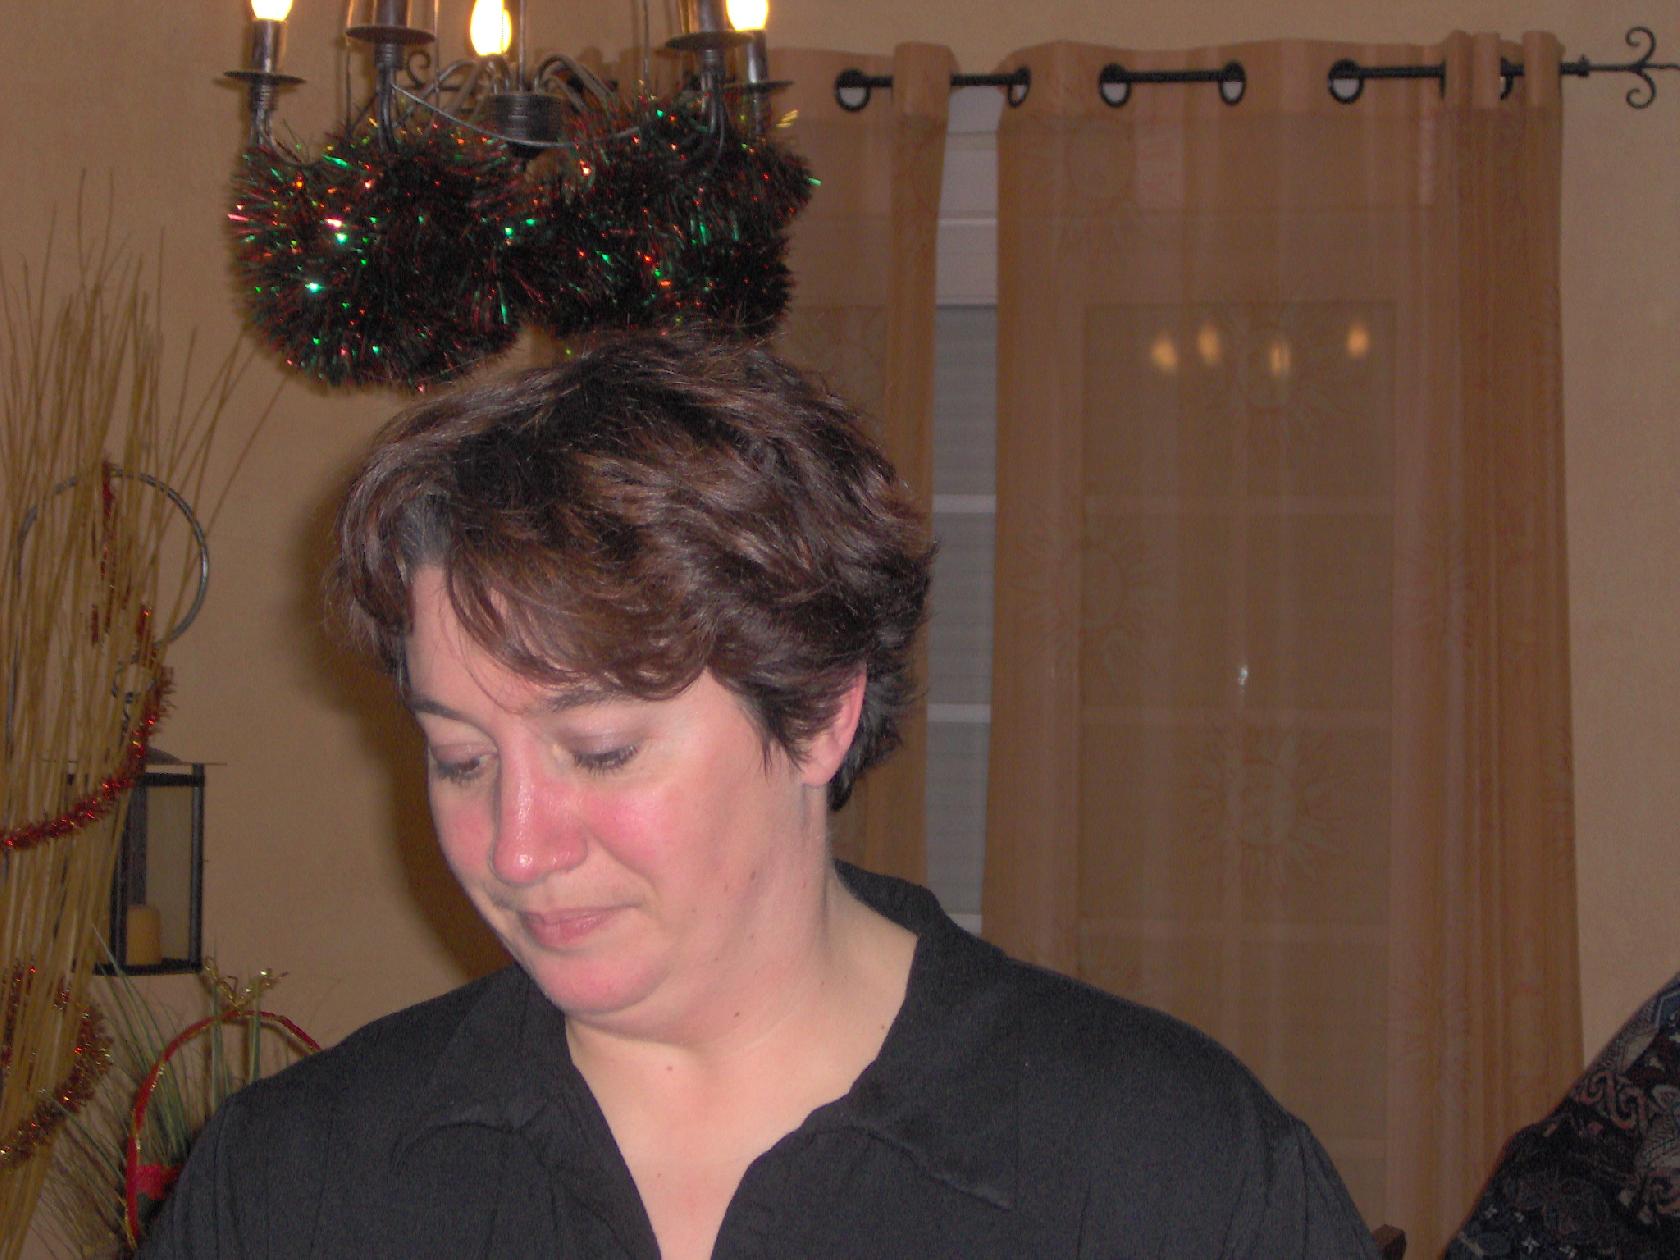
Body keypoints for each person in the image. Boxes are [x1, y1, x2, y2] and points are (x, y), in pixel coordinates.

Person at [141, 330, 1378, 1258]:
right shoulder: (297, 1181)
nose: (515, 850)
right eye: (462, 759)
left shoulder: (1166, 1174)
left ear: (820, 712)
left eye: (601, 751)